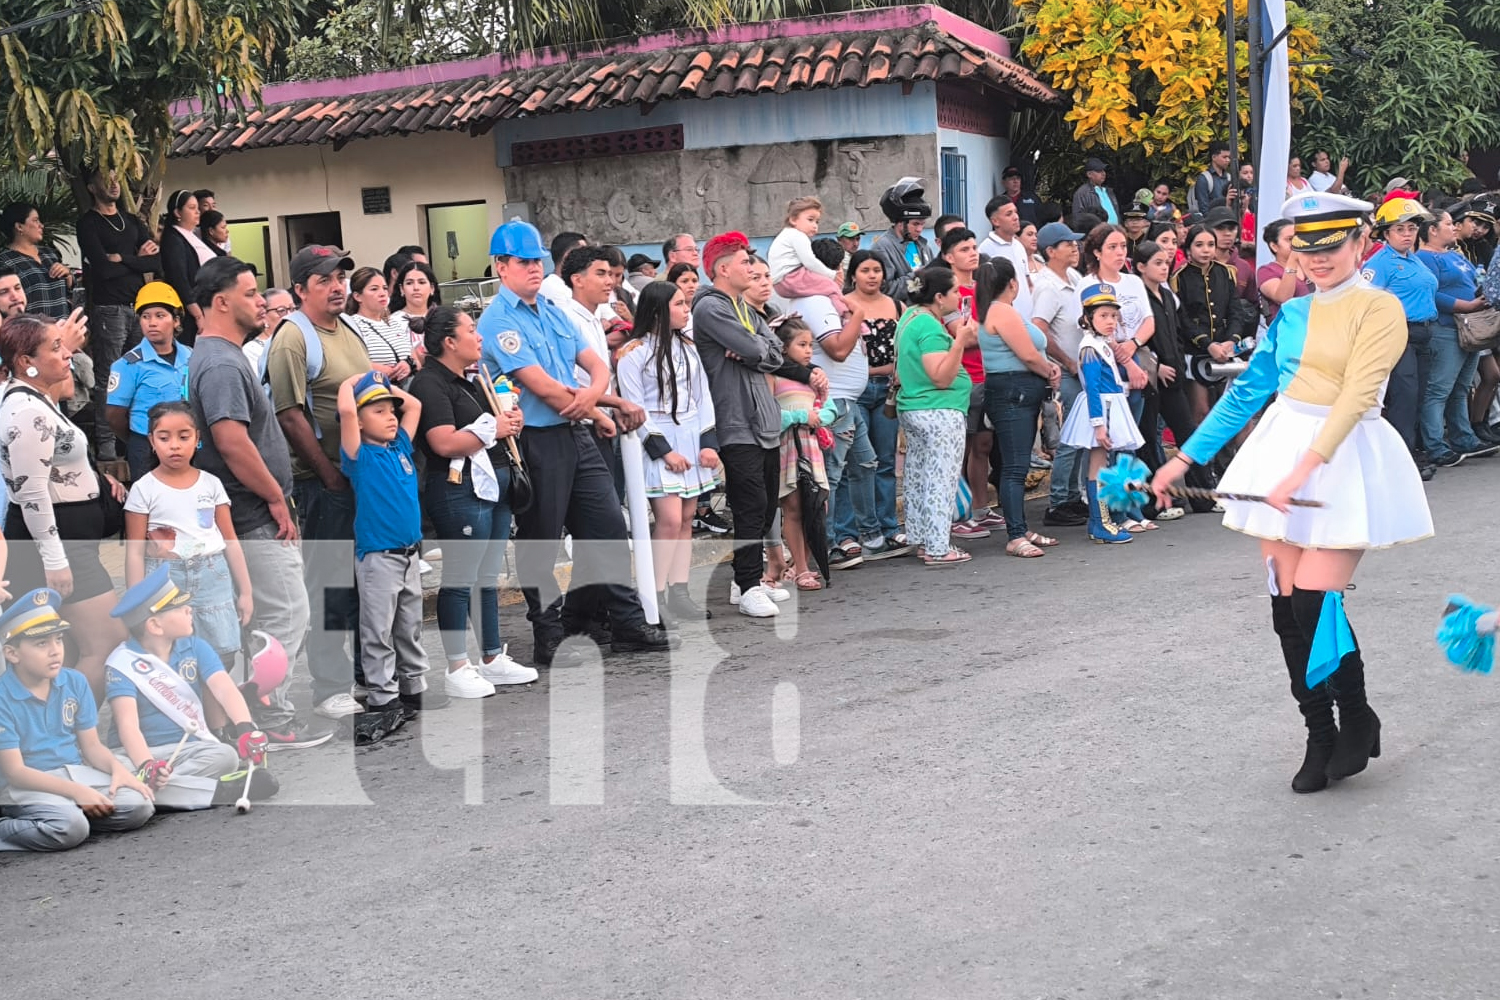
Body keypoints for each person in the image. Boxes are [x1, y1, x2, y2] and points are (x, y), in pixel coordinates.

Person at [1151, 192, 1432, 794]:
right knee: (1285, 608)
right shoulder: (1293, 313)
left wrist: (1304, 470)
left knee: (1314, 601)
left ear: (1360, 243)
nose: (1319, 259)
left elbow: (1358, 394)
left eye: (1332, 246)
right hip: (1281, 450)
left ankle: (1355, 713)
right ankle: (1319, 733)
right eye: (1308, 249)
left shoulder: (1380, 308)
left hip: (1345, 456)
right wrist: (1183, 458)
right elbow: (1248, 392)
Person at [479, 220, 672, 662]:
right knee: (541, 541)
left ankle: (626, 621)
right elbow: (542, 386)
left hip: (574, 430)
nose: (533, 268)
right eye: (523, 262)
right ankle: (548, 633)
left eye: (536, 261)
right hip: (534, 439)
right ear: (501, 266)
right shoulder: (498, 320)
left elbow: (594, 364)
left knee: (608, 527)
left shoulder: (552, 310)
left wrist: (591, 399)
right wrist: (591, 404)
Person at [186, 256, 330, 750]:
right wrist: (275, 496)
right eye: (249, 294)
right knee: (286, 614)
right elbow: (231, 441)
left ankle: (260, 709)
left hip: (247, 511)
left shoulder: (219, 356)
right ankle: (270, 714)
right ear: (221, 302)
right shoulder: (222, 363)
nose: (261, 302)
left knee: (271, 616)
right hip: (252, 512)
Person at [265, 245, 372, 721]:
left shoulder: (347, 328)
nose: (337, 287)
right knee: (329, 584)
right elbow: (289, 415)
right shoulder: (293, 338)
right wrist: (329, 477)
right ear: (300, 289)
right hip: (322, 481)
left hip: (359, 476)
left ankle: (369, 675)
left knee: (365, 581)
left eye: (340, 278)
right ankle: (329, 685)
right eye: (324, 279)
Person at [408, 307, 534, 694]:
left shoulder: (474, 379)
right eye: (471, 330)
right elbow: (443, 442)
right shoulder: (429, 383)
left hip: (494, 485)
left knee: (487, 578)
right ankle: (456, 665)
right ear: (449, 341)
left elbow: (493, 428)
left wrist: (508, 422)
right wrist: (494, 428)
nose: (479, 337)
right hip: (459, 489)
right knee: (460, 579)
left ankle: (491, 657)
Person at [0, 312, 127, 695]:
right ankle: (73, 724)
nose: (68, 353)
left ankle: (59, 724)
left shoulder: (38, 399)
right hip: (58, 543)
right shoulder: (26, 411)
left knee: (67, 649)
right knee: (106, 643)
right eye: (56, 348)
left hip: (70, 540)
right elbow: (32, 493)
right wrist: (55, 560)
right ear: (27, 361)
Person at [104, 565, 275, 809]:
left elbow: (224, 689)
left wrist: (245, 727)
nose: (189, 609)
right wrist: (146, 765)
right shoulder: (121, 663)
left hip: (186, 750)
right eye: (179, 608)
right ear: (155, 625)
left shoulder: (196, 647)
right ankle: (212, 791)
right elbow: (127, 725)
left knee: (225, 756)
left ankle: (161, 790)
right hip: (137, 754)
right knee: (117, 766)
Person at [691, 231, 799, 617]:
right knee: (749, 503)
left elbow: (774, 352)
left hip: (762, 420)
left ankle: (744, 580)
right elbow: (758, 348)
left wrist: (754, 350)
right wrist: (755, 349)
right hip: (734, 420)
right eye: (745, 262)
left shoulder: (746, 309)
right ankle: (750, 584)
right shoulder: (710, 308)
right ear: (723, 269)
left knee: (766, 503)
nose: (752, 268)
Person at [0, 588, 155, 852]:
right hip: (26, 785)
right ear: (12, 654)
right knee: (70, 827)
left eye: (59, 640)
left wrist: (117, 770)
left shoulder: (74, 681)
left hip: (74, 773)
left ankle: (70, 816)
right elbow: (16, 772)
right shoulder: (3, 696)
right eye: (41, 644)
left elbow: (91, 746)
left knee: (139, 806)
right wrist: (76, 792)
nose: (55, 651)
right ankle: (56, 819)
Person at [336, 371, 435, 742]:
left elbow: (415, 405)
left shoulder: (400, 448)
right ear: (360, 422)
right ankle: (383, 696)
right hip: (379, 557)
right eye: (378, 412)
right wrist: (353, 381)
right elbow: (347, 411)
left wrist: (383, 383)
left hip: (409, 556)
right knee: (377, 631)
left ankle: (412, 687)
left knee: (409, 626)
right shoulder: (359, 456)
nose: (391, 417)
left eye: (391, 411)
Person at [614, 282, 720, 625]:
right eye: (679, 304)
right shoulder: (633, 353)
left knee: (687, 519)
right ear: (658, 310)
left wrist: (708, 442)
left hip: (691, 437)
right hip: (656, 440)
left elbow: (703, 397)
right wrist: (664, 452)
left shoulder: (688, 347)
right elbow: (634, 406)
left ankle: (680, 592)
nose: (687, 310)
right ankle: (654, 595)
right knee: (670, 520)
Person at [122, 400, 252, 666]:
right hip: (165, 579)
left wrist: (246, 592)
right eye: (164, 438)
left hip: (213, 576)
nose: (175, 446)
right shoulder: (143, 489)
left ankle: (212, 693)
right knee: (171, 655)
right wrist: (136, 601)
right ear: (151, 441)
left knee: (221, 654)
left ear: (197, 439)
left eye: (184, 437)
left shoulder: (211, 484)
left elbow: (230, 542)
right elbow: (135, 552)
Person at [976, 258, 1061, 557]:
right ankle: (1015, 534)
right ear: (1012, 283)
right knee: (1014, 466)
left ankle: (1020, 527)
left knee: (1017, 463)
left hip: (1017, 389)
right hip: (1014, 389)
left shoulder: (998, 310)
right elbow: (1027, 354)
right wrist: (1049, 370)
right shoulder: (1002, 311)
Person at [895, 265, 977, 566]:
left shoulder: (910, 317)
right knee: (941, 479)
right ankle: (938, 547)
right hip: (938, 409)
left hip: (915, 407)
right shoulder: (929, 327)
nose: (958, 296)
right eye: (954, 291)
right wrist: (960, 341)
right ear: (939, 297)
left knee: (918, 476)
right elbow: (940, 376)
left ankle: (922, 538)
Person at [78, 167, 160, 462]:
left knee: (140, 373)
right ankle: (107, 447)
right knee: (108, 377)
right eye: (106, 179)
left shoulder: (132, 220)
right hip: (108, 309)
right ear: (91, 187)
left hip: (138, 307)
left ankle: (138, 439)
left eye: (116, 179)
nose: (114, 184)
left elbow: (156, 262)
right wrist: (137, 261)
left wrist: (123, 258)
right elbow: (103, 269)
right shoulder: (88, 223)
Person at [1132, 239, 1215, 515]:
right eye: (1157, 263)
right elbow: (1136, 339)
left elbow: (1177, 334)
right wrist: (1157, 366)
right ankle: (1154, 504)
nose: (1164, 268)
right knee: (1147, 439)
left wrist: (1177, 363)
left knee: (1188, 433)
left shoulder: (1167, 296)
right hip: (1150, 379)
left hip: (1174, 376)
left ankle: (1203, 497)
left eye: (1166, 262)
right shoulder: (1138, 297)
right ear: (1140, 267)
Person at [835, 251, 908, 560]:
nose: (872, 275)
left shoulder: (897, 306)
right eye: (865, 270)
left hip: (888, 391)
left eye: (877, 270)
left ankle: (888, 527)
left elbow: (907, 346)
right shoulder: (841, 305)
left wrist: (899, 371)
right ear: (853, 274)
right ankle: (847, 533)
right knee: (852, 464)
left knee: (885, 462)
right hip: (855, 391)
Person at [1060, 283, 1146, 544]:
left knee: (1102, 465)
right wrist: (1099, 424)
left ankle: (1100, 522)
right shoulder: (1090, 347)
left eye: (1113, 316)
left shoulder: (1101, 344)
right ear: (1088, 318)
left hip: (1111, 405)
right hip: (1103, 409)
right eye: (1103, 316)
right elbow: (1093, 388)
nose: (1110, 321)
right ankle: (1101, 523)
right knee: (1098, 466)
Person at [1362, 199, 1439, 471]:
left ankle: (1411, 451)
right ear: (1386, 234)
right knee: (1403, 397)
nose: (1407, 234)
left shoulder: (1413, 259)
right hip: (1398, 334)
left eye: (1412, 229)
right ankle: (1400, 460)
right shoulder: (1380, 263)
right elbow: (1365, 302)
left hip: (1423, 333)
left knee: (1417, 396)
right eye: (1400, 229)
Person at [938, 227, 1004, 541]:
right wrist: (989, 330)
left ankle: (980, 507)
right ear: (948, 257)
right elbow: (965, 335)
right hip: (962, 378)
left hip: (988, 375)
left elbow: (992, 326)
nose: (973, 253)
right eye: (964, 249)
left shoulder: (982, 289)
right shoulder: (949, 292)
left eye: (974, 247)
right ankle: (956, 513)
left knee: (983, 445)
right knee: (960, 448)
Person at [1417, 208, 1496, 467]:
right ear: (1432, 230)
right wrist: (1464, 305)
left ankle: (1464, 438)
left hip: (1469, 327)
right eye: (1449, 224)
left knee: (1461, 388)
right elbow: (1432, 292)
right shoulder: (1425, 258)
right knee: (1439, 389)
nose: (1454, 228)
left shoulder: (1453, 255)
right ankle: (1435, 444)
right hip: (1446, 328)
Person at [768, 316, 835, 590]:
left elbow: (830, 408)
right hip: (788, 447)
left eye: (810, 345)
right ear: (784, 348)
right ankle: (802, 568)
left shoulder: (814, 377)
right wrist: (799, 416)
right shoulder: (774, 377)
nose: (808, 351)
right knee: (794, 507)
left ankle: (801, 563)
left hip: (811, 447)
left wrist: (818, 417)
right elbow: (771, 416)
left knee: (817, 506)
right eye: (802, 345)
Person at [1031, 221, 1090, 527]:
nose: (1075, 247)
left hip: (1082, 368)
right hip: (1066, 371)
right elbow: (1039, 329)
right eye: (1068, 244)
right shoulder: (1047, 286)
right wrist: (1066, 361)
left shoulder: (1074, 277)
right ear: (1051, 251)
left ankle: (1072, 495)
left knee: (1082, 435)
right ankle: (1058, 501)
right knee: (1070, 437)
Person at [105, 282, 192, 479]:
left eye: (160, 316)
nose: (152, 323)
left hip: (186, 444)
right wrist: (139, 440)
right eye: (146, 316)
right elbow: (114, 415)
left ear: (176, 320)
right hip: (146, 447)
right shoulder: (128, 365)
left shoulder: (191, 356)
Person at [1172, 224, 1249, 423]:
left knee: (1233, 411)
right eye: (1199, 245)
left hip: (1226, 349)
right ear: (1189, 249)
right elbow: (1183, 320)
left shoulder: (1226, 273)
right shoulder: (1179, 278)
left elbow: (1236, 311)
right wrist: (1208, 344)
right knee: (1201, 411)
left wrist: (1232, 340)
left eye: (1210, 244)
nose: (1206, 250)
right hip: (1196, 351)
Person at [769, 196, 851, 318]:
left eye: (817, 222)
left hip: (781, 283)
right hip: (791, 278)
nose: (814, 225)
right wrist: (831, 275)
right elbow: (810, 262)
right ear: (793, 219)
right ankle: (845, 315)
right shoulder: (798, 236)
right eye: (810, 220)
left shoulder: (786, 235)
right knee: (831, 286)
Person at [158, 191, 222, 345]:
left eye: (197, 208)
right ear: (177, 212)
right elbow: (179, 278)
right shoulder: (173, 238)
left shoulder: (190, 235)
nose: (197, 212)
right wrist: (197, 314)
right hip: (190, 311)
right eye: (192, 208)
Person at [0, 203, 72, 321]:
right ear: (19, 226)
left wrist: (68, 275)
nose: (41, 225)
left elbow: (70, 290)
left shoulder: (49, 253)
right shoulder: (5, 260)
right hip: (32, 329)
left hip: (63, 327)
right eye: (35, 220)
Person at [345, 268, 414, 384]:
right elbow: (347, 361)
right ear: (357, 296)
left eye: (385, 288)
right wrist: (374, 368)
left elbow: (415, 357)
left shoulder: (394, 323)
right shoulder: (352, 325)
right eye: (374, 289)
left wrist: (408, 365)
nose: (382, 294)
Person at [872, 177, 934, 300]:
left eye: (922, 224)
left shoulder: (923, 245)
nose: (919, 229)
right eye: (915, 224)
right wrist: (917, 276)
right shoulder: (882, 248)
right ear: (900, 223)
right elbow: (885, 289)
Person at [1258, 219, 1312, 322]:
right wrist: (1292, 260)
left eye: (1298, 238)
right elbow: (1283, 298)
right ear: (1274, 246)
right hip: (1287, 328)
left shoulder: (1309, 265)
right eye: (1290, 239)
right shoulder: (1267, 271)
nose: (1296, 242)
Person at [244, 287, 291, 374]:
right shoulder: (252, 351)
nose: (290, 315)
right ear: (264, 316)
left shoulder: (301, 340)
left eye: (292, 309)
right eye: (282, 311)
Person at [541, 231, 588, 305]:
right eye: (584, 254)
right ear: (567, 256)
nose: (588, 259)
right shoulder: (550, 287)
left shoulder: (582, 285)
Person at [1071, 158, 1121, 226]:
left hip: (1115, 230)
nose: (1103, 173)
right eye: (1099, 171)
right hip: (1098, 231)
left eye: (1103, 170)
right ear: (1089, 174)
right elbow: (1078, 218)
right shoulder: (1082, 193)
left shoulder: (1109, 191)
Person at [1190, 142, 1232, 214]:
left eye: (1229, 157)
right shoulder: (1204, 178)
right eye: (1224, 157)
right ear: (1214, 157)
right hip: (1212, 219)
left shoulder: (1229, 177)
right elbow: (1203, 209)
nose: (1228, 160)